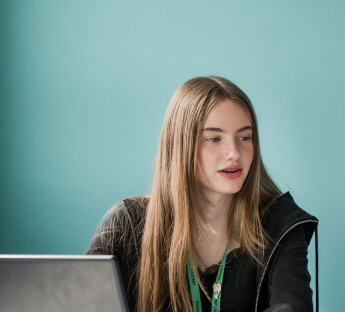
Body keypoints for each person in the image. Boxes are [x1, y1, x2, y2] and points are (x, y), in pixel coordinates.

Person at [87, 76, 317, 312]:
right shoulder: (127, 224)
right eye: (214, 139)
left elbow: (291, 307)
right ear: (181, 145)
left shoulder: (281, 223)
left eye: (244, 138)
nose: (233, 153)